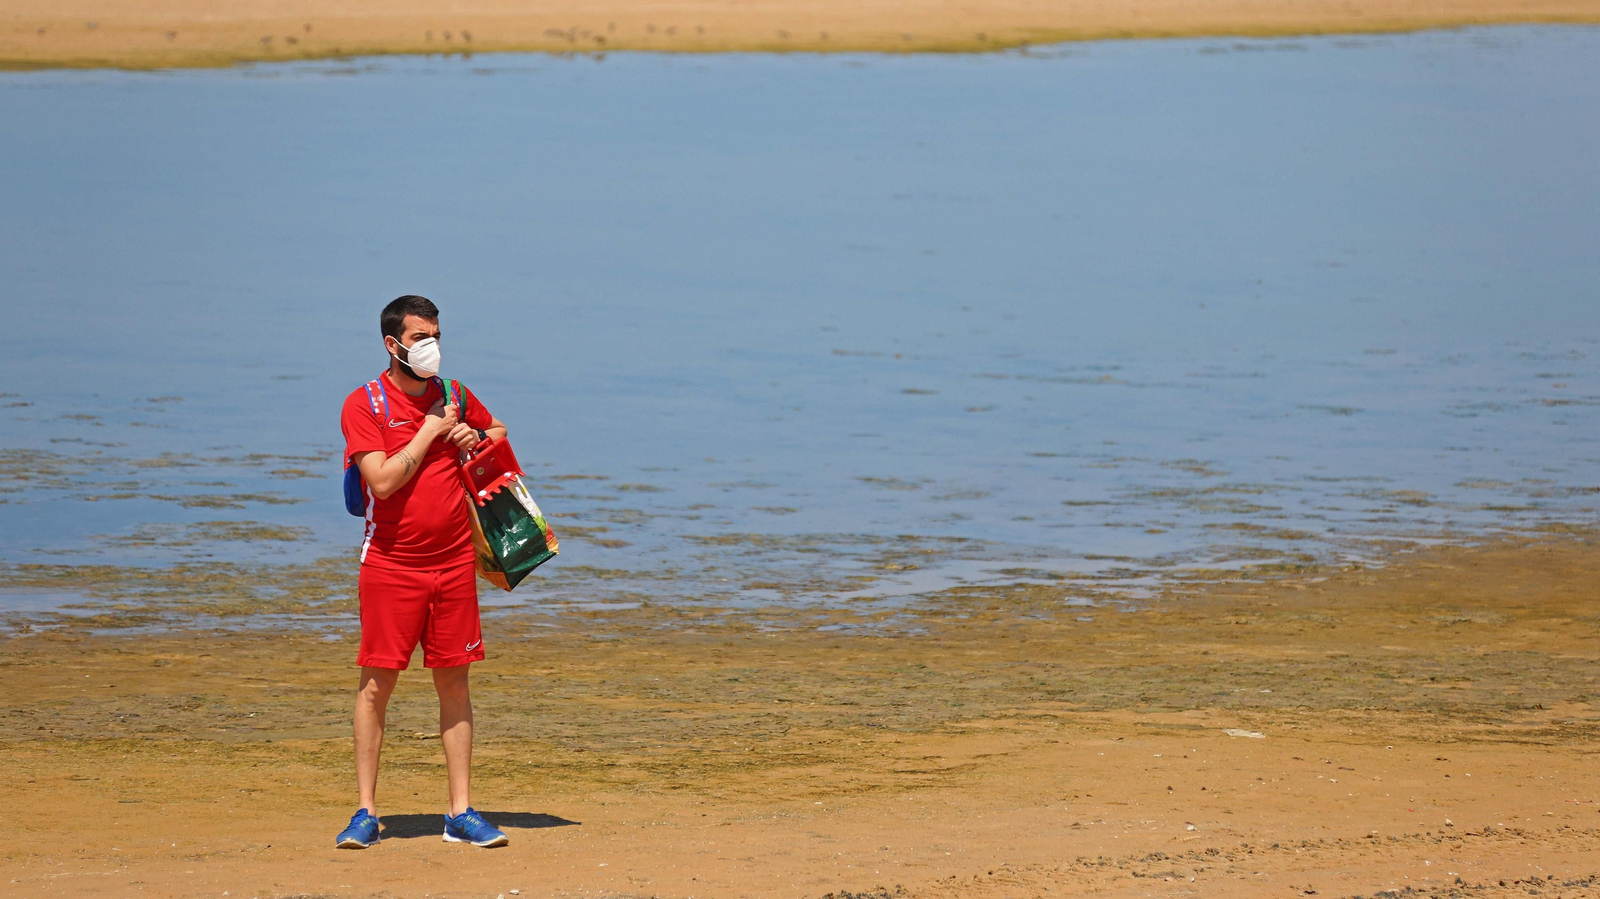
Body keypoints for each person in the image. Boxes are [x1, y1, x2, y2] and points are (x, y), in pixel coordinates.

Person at [334, 295, 510, 849]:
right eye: (419, 337)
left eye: (435, 334)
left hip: (455, 561)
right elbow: (381, 482)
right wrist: (433, 432)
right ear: (393, 345)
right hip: (390, 564)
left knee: (454, 683)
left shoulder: (454, 394)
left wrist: (471, 436)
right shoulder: (363, 404)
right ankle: (366, 812)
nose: (430, 346)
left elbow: (498, 431)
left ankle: (460, 812)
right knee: (376, 685)